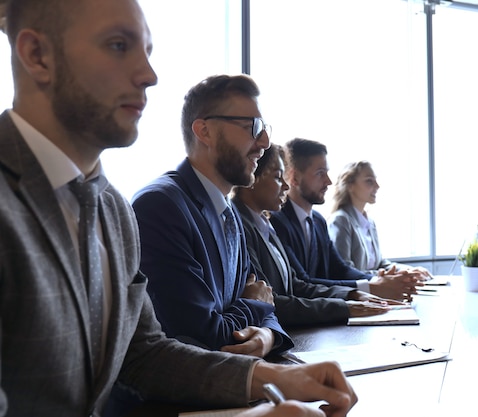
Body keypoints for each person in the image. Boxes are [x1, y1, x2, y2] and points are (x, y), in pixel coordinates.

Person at [0, 1, 356, 416]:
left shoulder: (112, 208)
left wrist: (272, 378)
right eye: (118, 45)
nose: (149, 76)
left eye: (147, 51)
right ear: (37, 56)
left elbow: (144, 354)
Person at [132, 74, 293, 358]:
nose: (265, 142)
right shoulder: (159, 206)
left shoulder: (228, 210)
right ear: (204, 131)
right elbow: (201, 336)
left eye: (264, 128)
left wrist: (268, 334)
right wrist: (256, 305)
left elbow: (258, 297)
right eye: (252, 127)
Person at [232, 145, 396, 327]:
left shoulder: (265, 224)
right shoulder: (240, 226)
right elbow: (270, 301)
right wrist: (343, 307)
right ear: (252, 177)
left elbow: (296, 285)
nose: (285, 185)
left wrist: (350, 294)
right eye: (278, 178)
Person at [270, 138, 430, 301]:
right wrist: (371, 287)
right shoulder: (276, 221)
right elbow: (303, 283)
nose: (329, 181)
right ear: (294, 177)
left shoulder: (318, 221)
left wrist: (379, 281)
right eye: (320, 173)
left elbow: (340, 269)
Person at [328, 161, 431, 276]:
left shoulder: (369, 223)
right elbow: (345, 271)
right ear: (350, 186)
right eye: (369, 181)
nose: (377, 186)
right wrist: (387, 276)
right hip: (360, 291)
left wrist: (407, 271)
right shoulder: (341, 221)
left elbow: (380, 264)